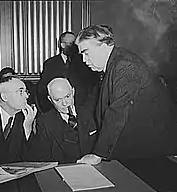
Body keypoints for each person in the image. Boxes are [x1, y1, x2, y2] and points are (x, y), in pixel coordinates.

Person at [74, 24, 177, 163]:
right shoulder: (113, 63)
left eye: (86, 53)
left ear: (103, 47)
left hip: (152, 148)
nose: (84, 60)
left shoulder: (125, 66)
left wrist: (98, 154)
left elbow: (116, 111)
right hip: (139, 143)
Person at [32, 78, 98, 164]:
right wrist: (78, 162)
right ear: (50, 99)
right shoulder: (44, 122)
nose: (65, 103)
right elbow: (43, 157)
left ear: (73, 92)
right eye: (58, 100)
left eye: (67, 96)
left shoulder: (92, 113)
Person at [36, 31, 100, 113]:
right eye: (71, 43)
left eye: (75, 44)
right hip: (58, 109)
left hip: (82, 108)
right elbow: (43, 89)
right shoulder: (50, 64)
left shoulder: (85, 61)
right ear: (62, 45)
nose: (74, 47)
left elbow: (92, 85)